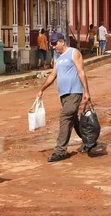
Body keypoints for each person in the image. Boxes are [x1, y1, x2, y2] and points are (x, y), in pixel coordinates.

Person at [36, 32, 92, 162]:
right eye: (52, 45)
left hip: (74, 92)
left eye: (55, 44)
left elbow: (81, 72)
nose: (54, 47)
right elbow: (52, 75)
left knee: (65, 117)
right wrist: (41, 90)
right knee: (73, 120)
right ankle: (89, 141)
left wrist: (86, 92)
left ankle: (60, 151)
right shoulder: (58, 57)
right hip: (64, 95)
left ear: (62, 42)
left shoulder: (74, 53)